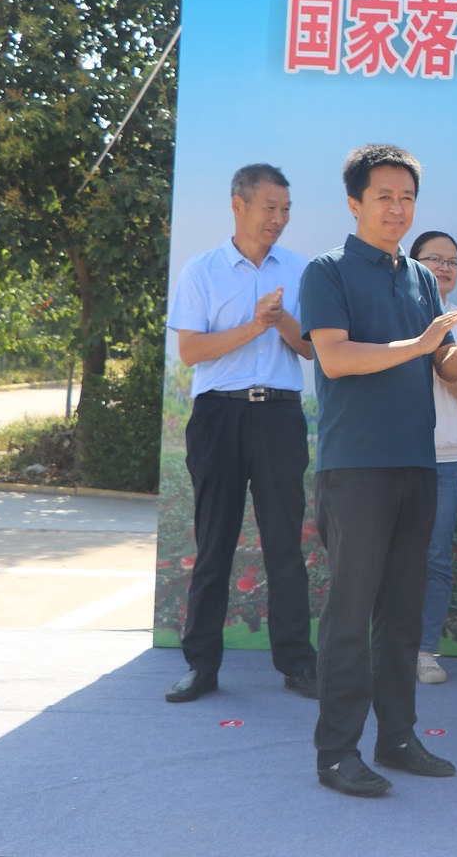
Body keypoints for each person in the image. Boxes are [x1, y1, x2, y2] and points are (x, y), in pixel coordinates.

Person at [299, 144, 457, 797]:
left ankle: (398, 738)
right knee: (350, 615)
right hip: (356, 466)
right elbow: (335, 358)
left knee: (403, 616)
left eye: (407, 197)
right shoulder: (327, 271)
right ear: (354, 202)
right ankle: (337, 753)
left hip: (419, 461)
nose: (397, 208)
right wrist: (420, 344)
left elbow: (441, 366)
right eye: (384, 196)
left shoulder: (419, 277)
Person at [164, 163, 318, 704]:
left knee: (284, 545)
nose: (279, 218)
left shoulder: (301, 270)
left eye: (286, 209)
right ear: (239, 205)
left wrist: (282, 322)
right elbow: (191, 350)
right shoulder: (202, 270)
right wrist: (254, 325)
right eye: (269, 207)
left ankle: (298, 663)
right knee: (214, 543)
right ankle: (201, 664)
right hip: (219, 416)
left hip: (278, 415)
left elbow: (311, 349)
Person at [408, 230, 457, 685]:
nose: (444, 267)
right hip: (396, 454)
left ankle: (425, 651)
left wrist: (447, 350)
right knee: (384, 557)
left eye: (452, 261)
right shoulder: (395, 315)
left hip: (447, 458)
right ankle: (384, 649)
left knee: (435, 559)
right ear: (412, 263)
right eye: (433, 258)